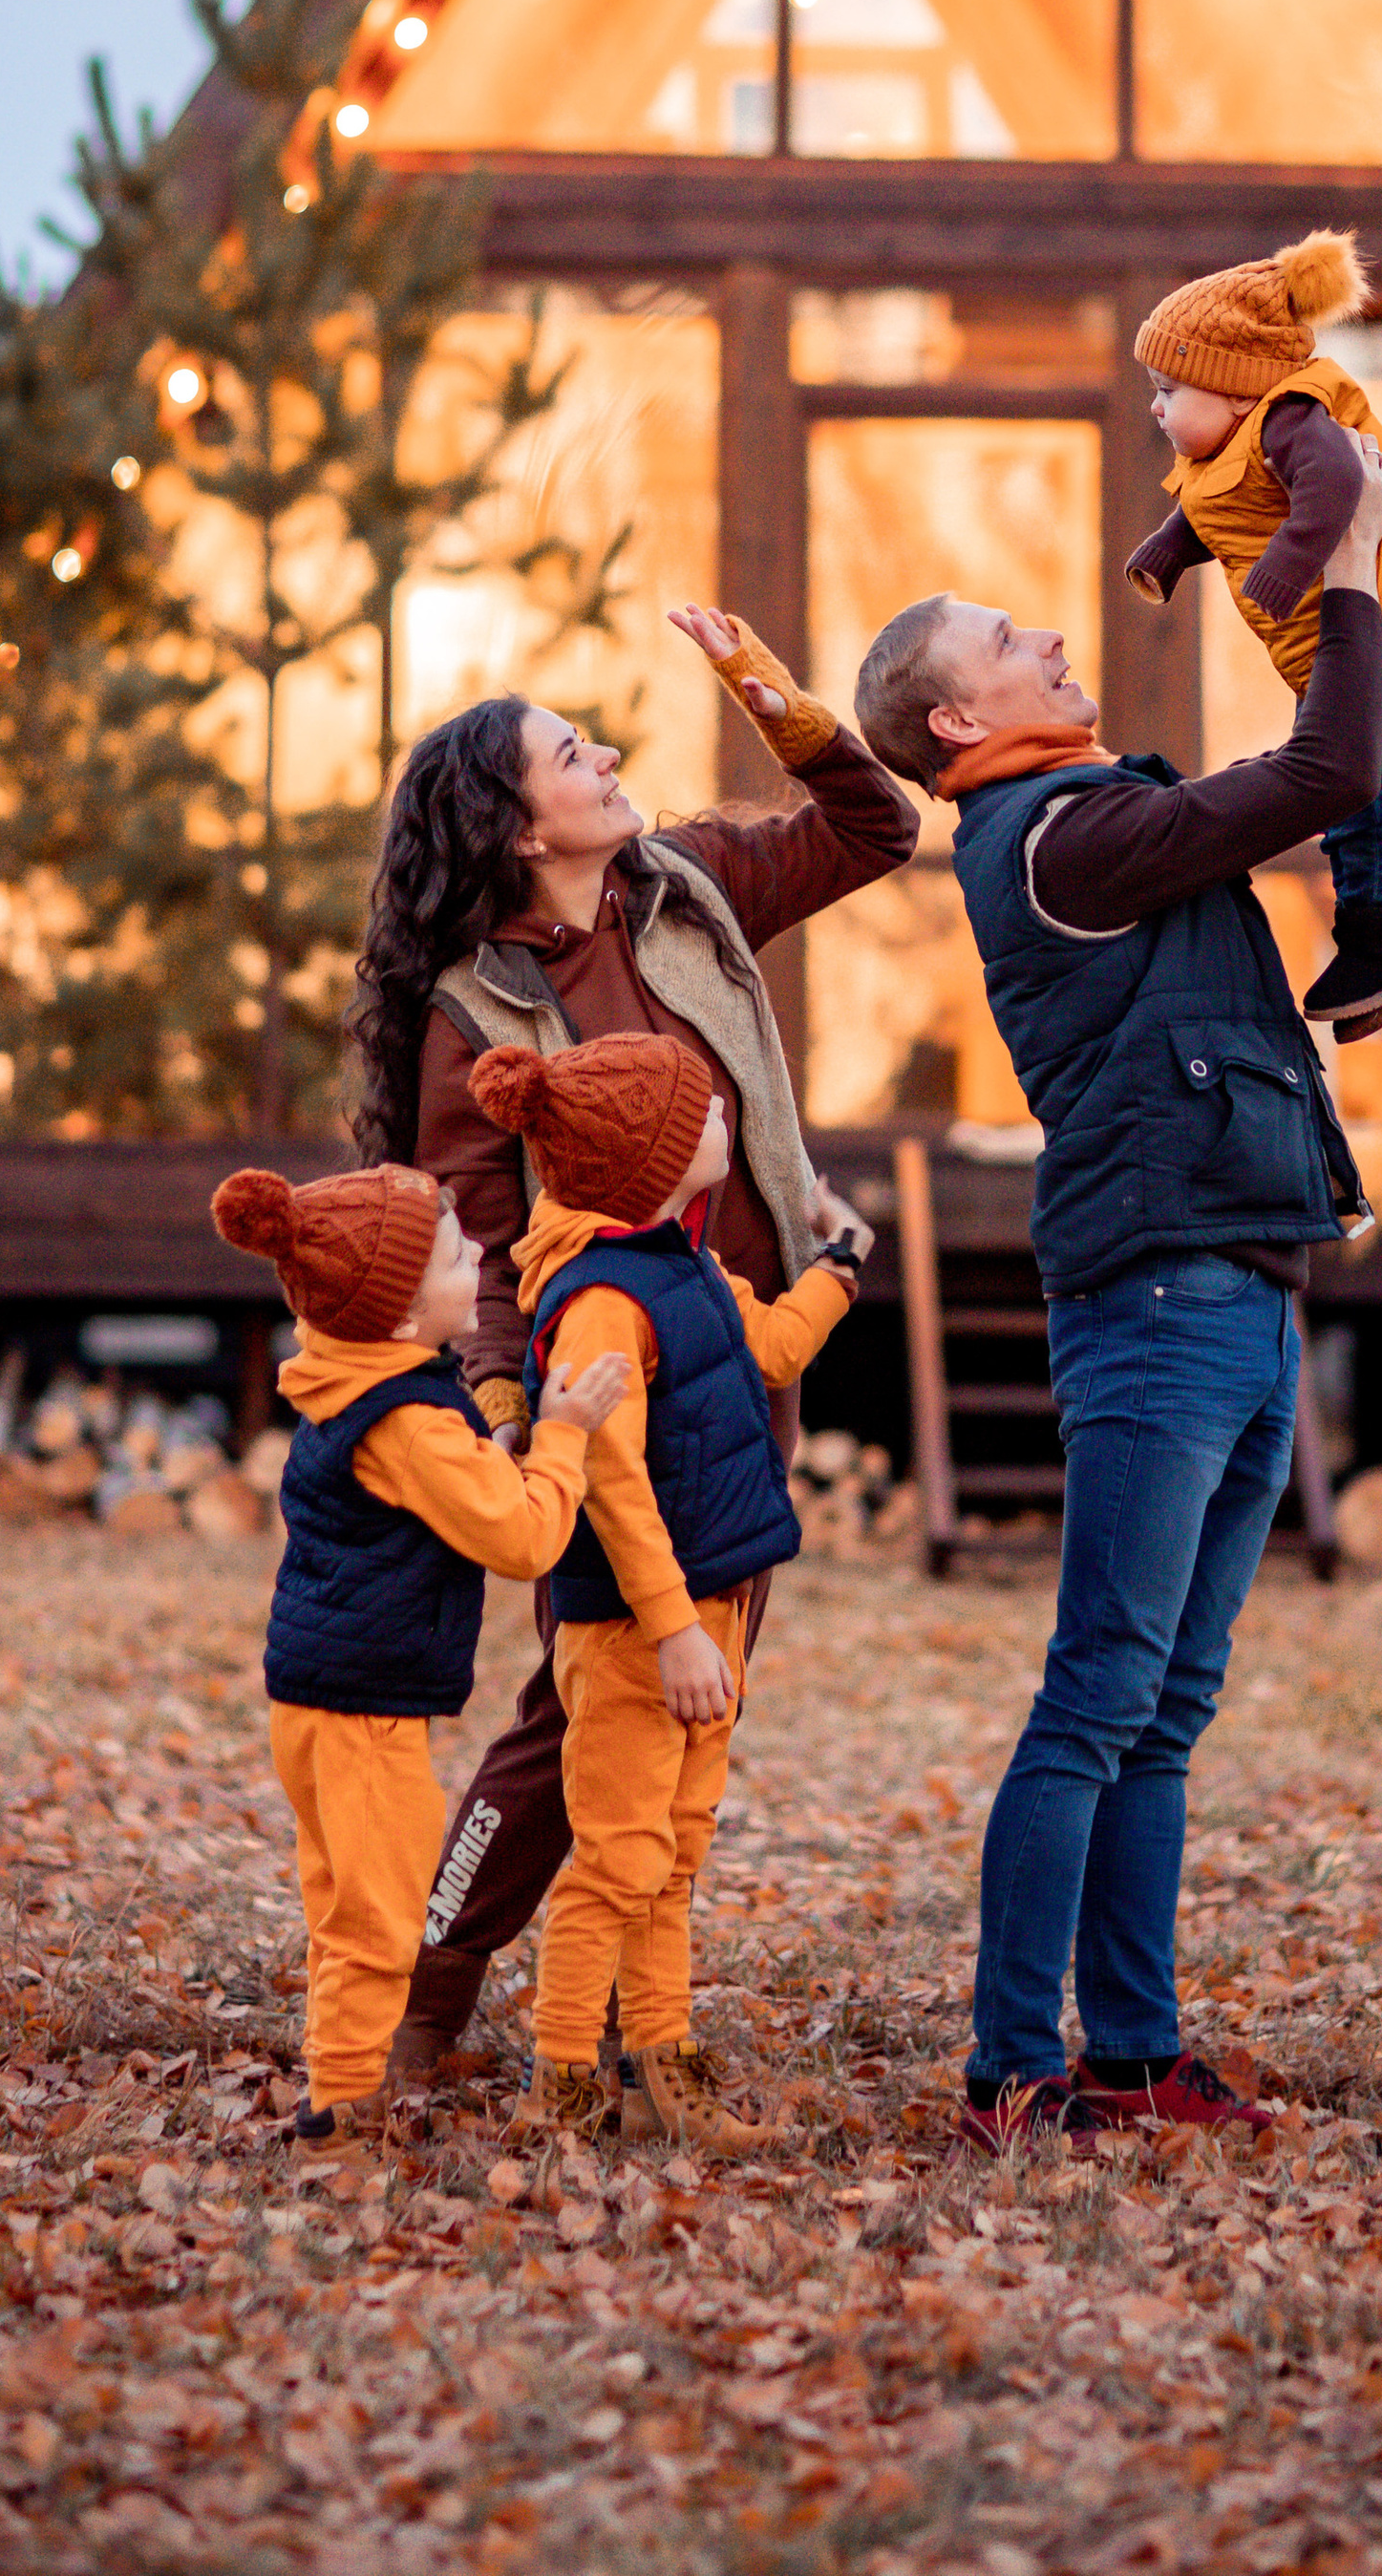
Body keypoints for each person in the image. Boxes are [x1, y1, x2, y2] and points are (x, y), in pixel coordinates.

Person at [853, 432, 1382, 2152]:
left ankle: (1136, 2052)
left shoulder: (1090, 816)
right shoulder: (1062, 839)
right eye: (1013, 642)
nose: (1056, 645)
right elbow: (1329, 769)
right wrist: (1354, 558)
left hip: (1239, 1284)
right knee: (1101, 1690)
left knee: (1163, 1705)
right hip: (1160, 1305)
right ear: (959, 721)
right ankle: (1014, 2071)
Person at [346, 605, 918, 2086]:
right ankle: (432, 1990)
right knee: (585, 1697)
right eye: (566, 751)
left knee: (696, 1679)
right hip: (603, 1373)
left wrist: (766, 690)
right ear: (517, 826)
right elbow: (464, 1220)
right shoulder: (470, 1007)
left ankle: (620, 1998)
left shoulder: (693, 886)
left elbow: (875, 824)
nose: (602, 754)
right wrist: (499, 1398)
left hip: (745, 1350)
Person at [469, 1033, 870, 2148]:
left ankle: (663, 2066)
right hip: (641, 1631)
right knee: (613, 1860)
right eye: (696, 1116)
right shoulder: (603, 1301)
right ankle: (560, 2087)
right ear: (639, 1160)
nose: (720, 1123)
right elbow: (609, 1479)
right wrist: (674, 1628)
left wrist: (838, 1266)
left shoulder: (683, 1260)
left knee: (674, 1849)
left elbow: (774, 1351)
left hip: (711, 1613)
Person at [208, 1159, 631, 2141]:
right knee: (380, 1921)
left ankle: (338, 2084)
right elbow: (524, 1539)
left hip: (315, 1701)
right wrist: (564, 1436)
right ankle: (342, 2114)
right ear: (400, 1314)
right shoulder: (408, 1422)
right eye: (452, 1256)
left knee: (340, 1904)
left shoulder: (356, 1380)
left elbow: (463, 1478)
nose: (478, 1250)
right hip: (364, 1716)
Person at [1123, 228, 1382, 1038]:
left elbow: (1336, 481)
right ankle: (1377, 932)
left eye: (1171, 388)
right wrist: (1167, 551)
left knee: (1362, 797)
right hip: (1350, 659)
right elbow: (1215, 513)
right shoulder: (1233, 448)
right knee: (1339, 791)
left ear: (1236, 388)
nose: (1156, 406)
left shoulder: (1290, 419)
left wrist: (1288, 560)